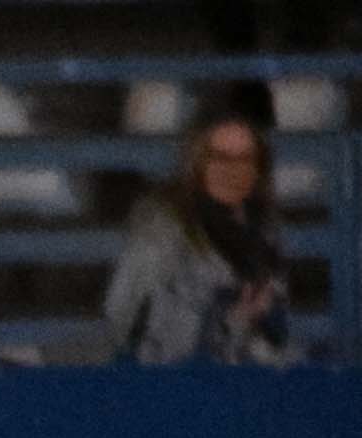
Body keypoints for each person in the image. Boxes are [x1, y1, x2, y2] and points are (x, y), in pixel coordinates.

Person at [103, 109, 288, 364]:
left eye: (245, 159)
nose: (233, 170)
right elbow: (126, 318)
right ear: (198, 163)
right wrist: (231, 324)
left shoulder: (265, 230)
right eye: (220, 158)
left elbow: (275, 340)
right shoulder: (163, 229)